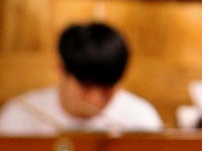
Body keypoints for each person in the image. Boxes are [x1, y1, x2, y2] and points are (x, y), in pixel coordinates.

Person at [0, 22, 162, 134]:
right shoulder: (21, 115)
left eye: (108, 88)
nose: (96, 98)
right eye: (86, 86)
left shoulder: (141, 119)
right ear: (62, 70)